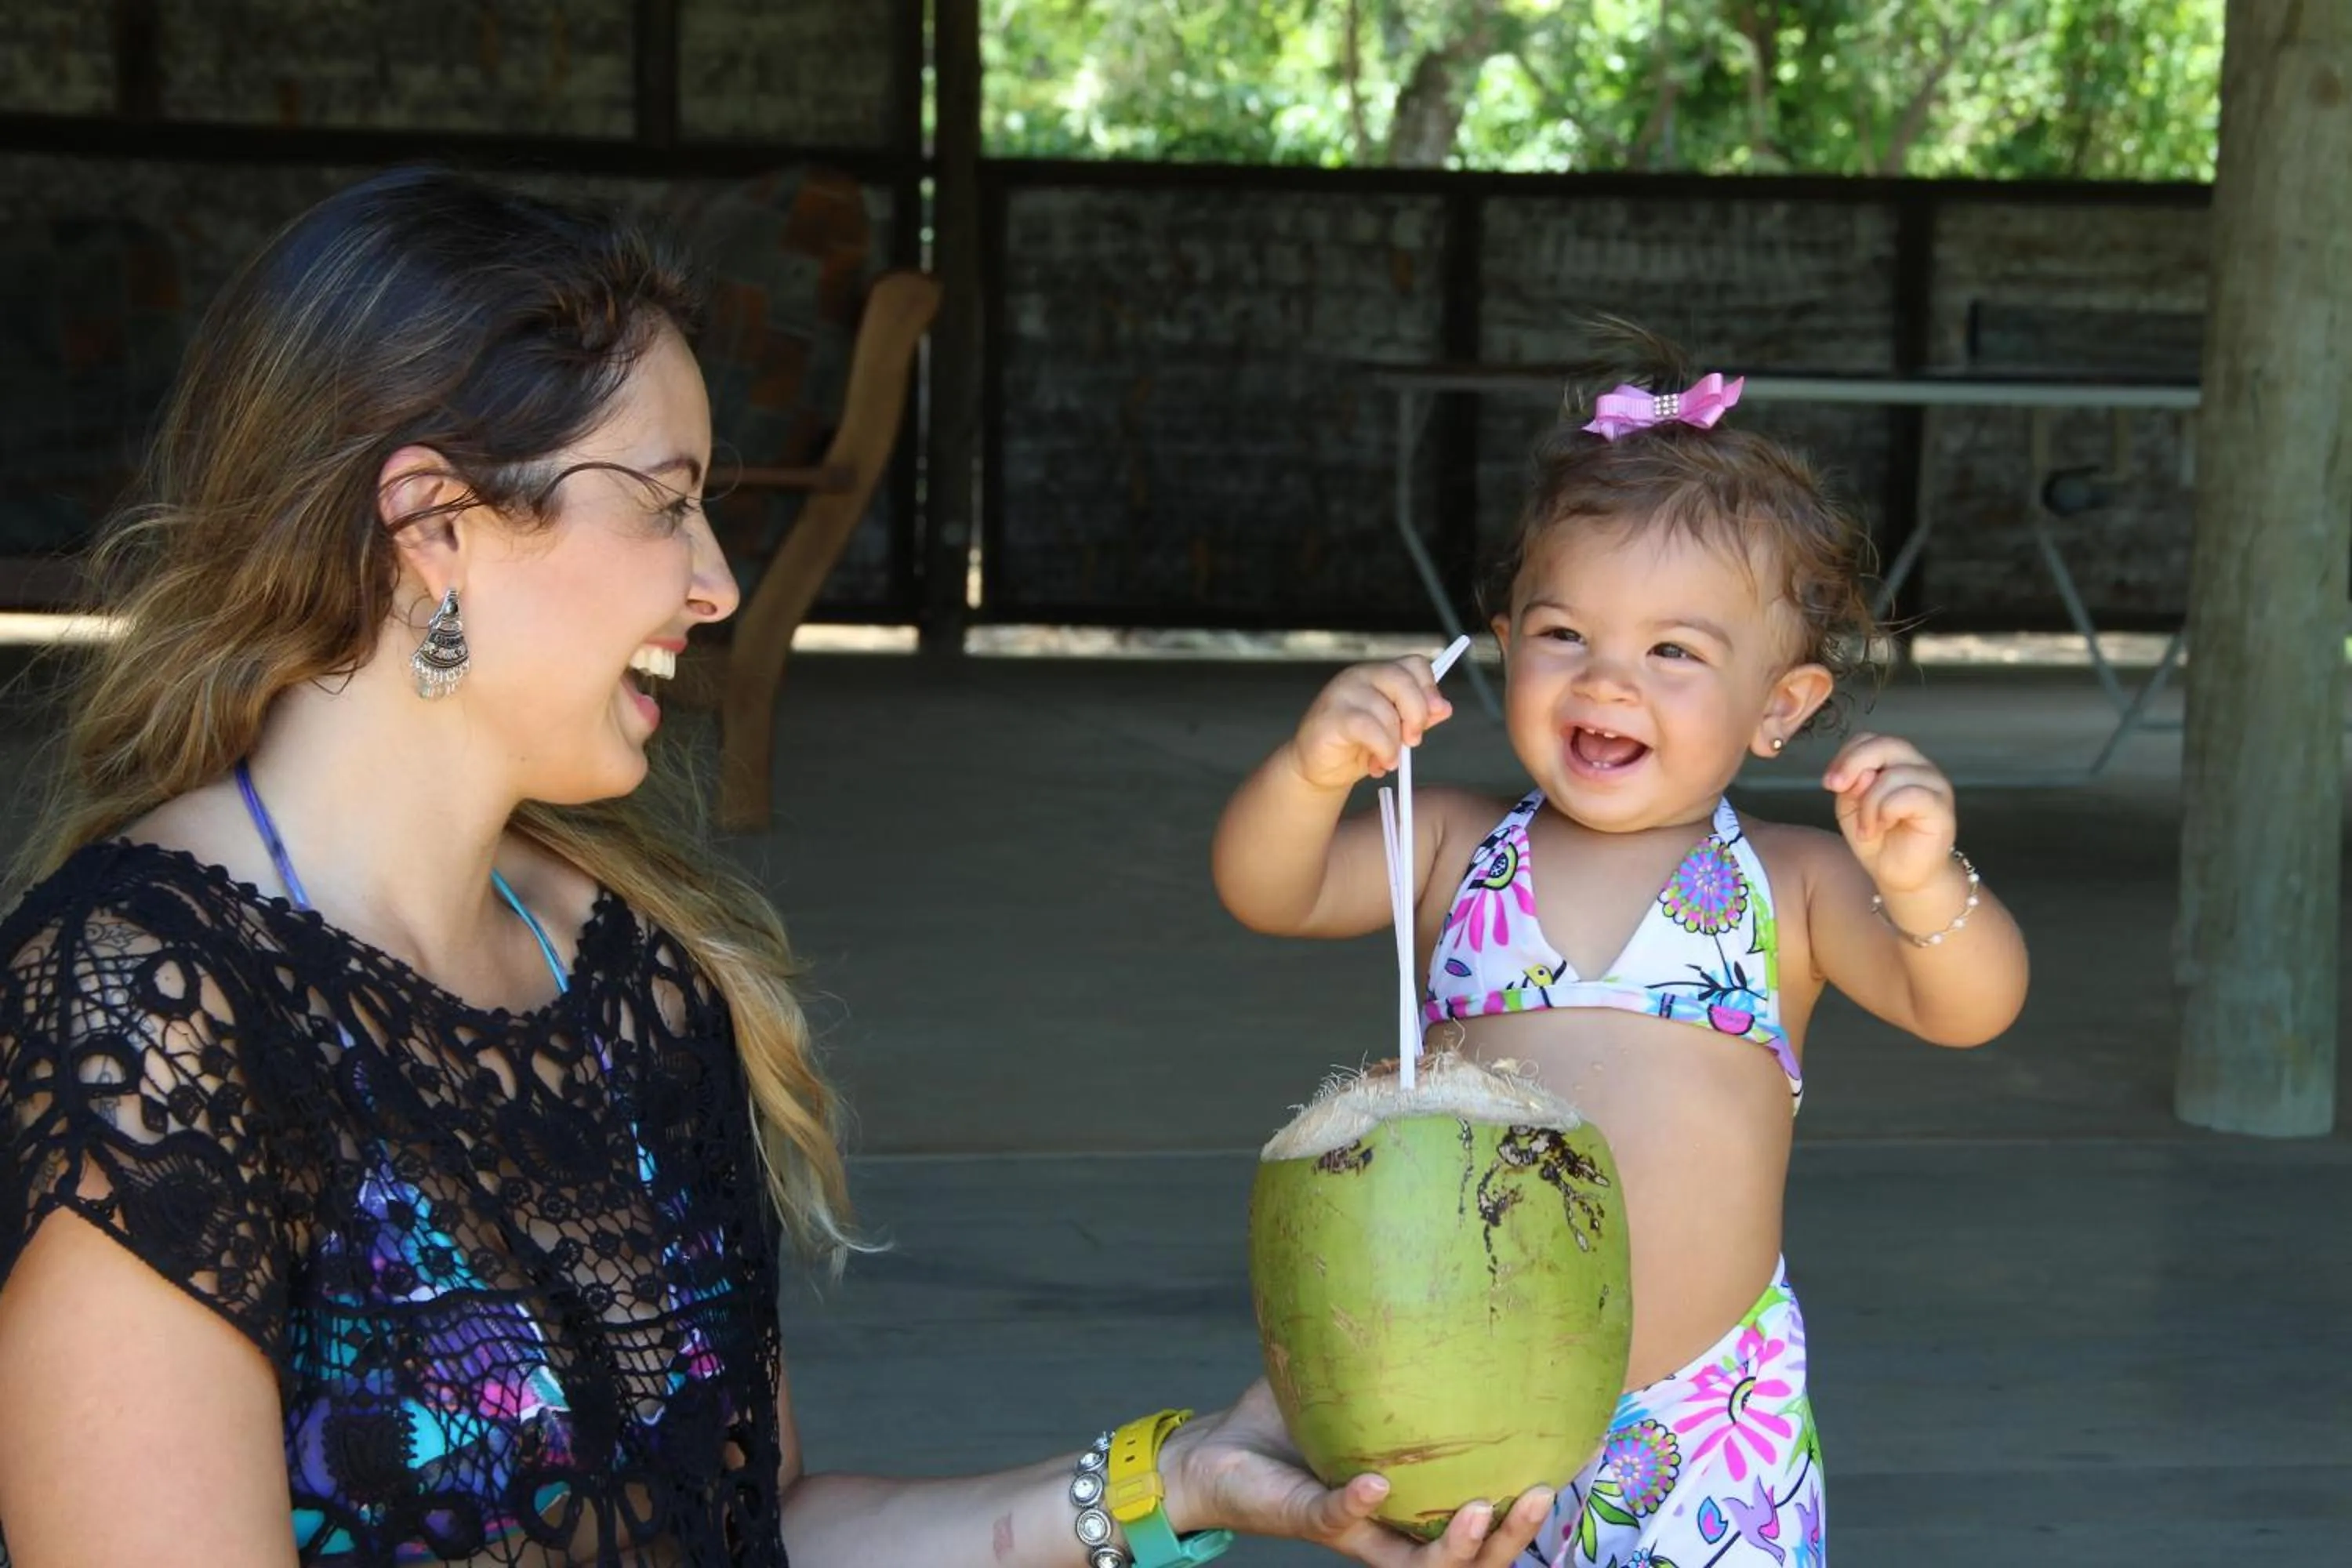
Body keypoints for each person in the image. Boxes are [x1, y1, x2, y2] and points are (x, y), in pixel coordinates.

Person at [0, 169, 1555, 1568]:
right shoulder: (141, 1010)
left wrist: (1181, 1485)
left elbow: (768, 1528)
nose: (717, 581)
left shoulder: (626, 975)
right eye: (666, 503)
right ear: (435, 525)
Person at [1211, 349, 2030, 1566]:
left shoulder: (1792, 885)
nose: (1607, 679)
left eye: (1674, 654)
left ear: (1781, 706)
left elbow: (1971, 1006)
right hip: (1465, 1389)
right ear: (1500, 644)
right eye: (1563, 633)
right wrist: (1311, 770)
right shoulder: (1452, 846)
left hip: (1710, 1423)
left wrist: (1921, 880)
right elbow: (1265, 889)